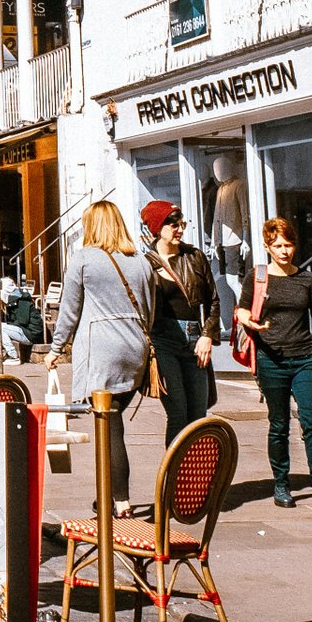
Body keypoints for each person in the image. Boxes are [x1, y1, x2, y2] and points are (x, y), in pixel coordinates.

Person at [48, 200, 155, 516]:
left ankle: (117, 500)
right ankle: (112, 496)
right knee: (115, 422)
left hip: (101, 349)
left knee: (108, 428)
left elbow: (69, 311)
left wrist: (56, 349)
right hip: (135, 347)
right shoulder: (142, 262)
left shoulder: (83, 260)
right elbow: (150, 308)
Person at [237, 215, 312, 514]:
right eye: (278, 245)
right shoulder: (258, 277)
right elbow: (242, 311)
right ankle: (281, 484)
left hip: (304, 359)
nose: (284, 251)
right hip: (272, 360)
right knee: (279, 424)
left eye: (289, 244)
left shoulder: (307, 279)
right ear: (268, 246)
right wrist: (251, 324)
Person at [141, 200, 220, 445]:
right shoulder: (144, 263)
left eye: (181, 223)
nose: (179, 229)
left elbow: (214, 301)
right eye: (172, 223)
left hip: (196, 337)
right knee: (177, 412)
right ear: (157, 227)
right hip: (163, 340)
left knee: (198, 414)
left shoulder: (194, 256)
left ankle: (198, 478)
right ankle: (175, 478)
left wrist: (208, 335)